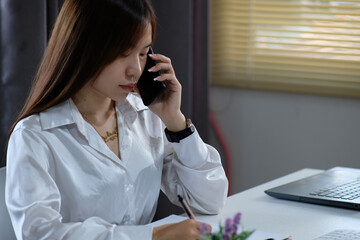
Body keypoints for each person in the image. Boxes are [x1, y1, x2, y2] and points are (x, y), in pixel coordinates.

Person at [5, 0, 228, 239]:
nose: (136, 69)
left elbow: (209, 200)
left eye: (143, 54)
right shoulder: (34, 135)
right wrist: (151, 236)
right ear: (83, 49)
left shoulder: (146, 115)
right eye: (123, 54)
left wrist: (175, 121)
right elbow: (39, 233)